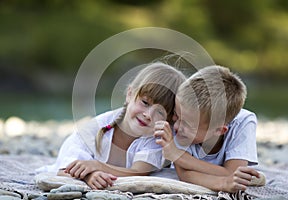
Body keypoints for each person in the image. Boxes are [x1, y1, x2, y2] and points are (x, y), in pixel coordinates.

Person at [37, 62, 186, 189]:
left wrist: (99, 166)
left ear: (170, 119)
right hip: (75, 152)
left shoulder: (157, 136)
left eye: (160, 112)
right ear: (129, 94)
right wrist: (89, 175)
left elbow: (138, 172)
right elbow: (67, 168)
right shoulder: (97, 127)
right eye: (145, 103)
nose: (148, 115)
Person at [154, 65, 260, 193]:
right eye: (176, 115)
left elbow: (233, 173)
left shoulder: (244, 122)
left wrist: (178, 156)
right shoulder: (184, 122)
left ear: (219, 130)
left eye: (187, 124)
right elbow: (185, 175)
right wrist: (223, 182)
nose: (176, 126)